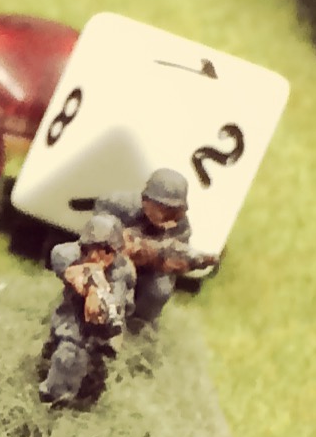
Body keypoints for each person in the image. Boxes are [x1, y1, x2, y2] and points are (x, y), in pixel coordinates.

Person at [38, 212, 135, 409]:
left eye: (106, 250)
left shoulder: (121, 271)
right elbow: (60, 255)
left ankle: (67, 394)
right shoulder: (72, 254)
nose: (97, 256)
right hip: (72, 314)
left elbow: (118, 298)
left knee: (82, 359)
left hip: (99, 325)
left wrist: (104, 306)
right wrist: (87, 281)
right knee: (65, 352)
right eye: (92, 248)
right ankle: (54, 391)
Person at [101, 168, 215, 331]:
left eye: (176, 211)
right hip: (112, 258)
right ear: (146, 200)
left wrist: (160, 257)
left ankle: (139, 323)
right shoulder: (117, 205)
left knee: (160, 289)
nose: (171, 218)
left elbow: (177, 252)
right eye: (164, 209)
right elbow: (99, 227)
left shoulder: (182, 227)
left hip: (152, 268)